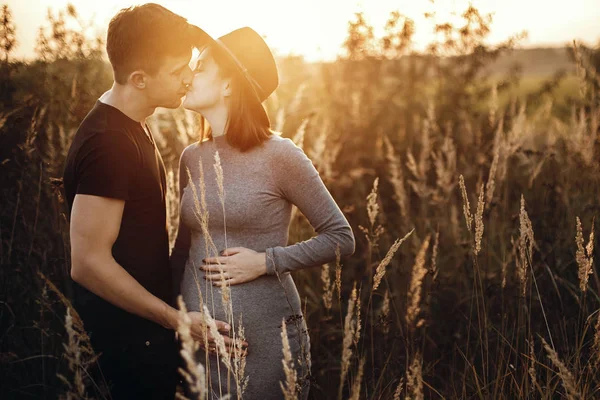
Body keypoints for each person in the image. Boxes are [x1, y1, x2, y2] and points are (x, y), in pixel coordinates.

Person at [62, 4, 238, 399]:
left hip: (144, 342)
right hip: (125, 351)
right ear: (139, 78)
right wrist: (176, 320)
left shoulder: (131, 126)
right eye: (178, 72)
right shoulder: (109, 143)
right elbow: (88, 262)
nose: (188, 78)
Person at [170, 27, 356, 399]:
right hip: (197, 345)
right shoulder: (191, 157)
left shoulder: (280, 155)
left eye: (201, 66)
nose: (189, 74)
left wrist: (265, 261)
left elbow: (341, 238)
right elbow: (183, 249)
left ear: (228, 86)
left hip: (266, 347)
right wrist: (176, 321)